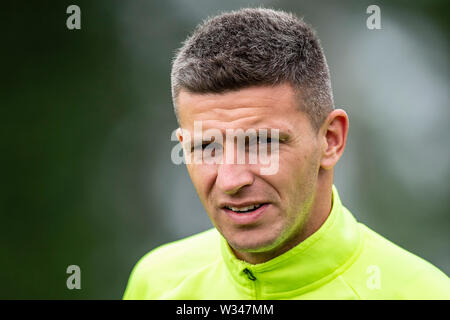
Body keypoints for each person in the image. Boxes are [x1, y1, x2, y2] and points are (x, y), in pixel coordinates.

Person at [123, 8, 449, 299]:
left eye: (263, 142)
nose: (232, 180)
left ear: (331, 140)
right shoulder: (156, 282)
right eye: (206, 147)